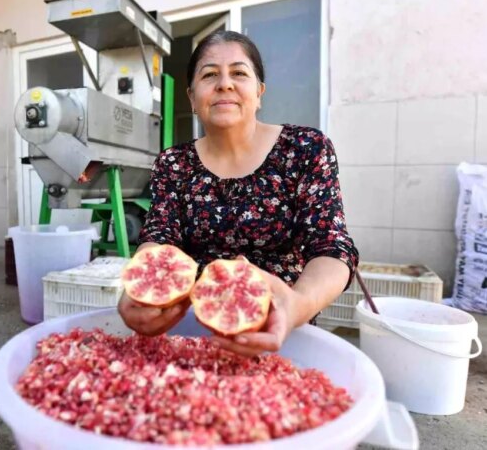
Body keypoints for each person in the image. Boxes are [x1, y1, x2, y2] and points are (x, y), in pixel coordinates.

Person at [118, 30, 359, 356]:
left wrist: (297, 305)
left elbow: (332, 248)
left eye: (239, 73)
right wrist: (141, 284)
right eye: (209, 75)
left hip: (283, 332)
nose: (225, 84)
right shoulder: (173, 164)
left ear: (259, 92)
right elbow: (160, 237)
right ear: (192, 97)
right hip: (193, 333)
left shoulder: (305, 149)